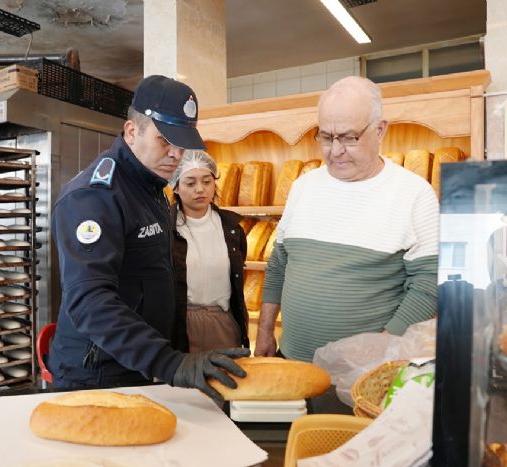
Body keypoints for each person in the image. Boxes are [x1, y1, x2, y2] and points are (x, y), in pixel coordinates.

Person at [48, 75, 250, 402]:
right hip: (98, 372)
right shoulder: (95, 197)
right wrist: (168, 362)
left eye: (182, 143)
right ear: (132, 132)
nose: (176, 154)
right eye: (164, 140)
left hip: (139, 363)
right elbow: (89, 301)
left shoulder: (150, 187)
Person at [255, 76, 439, 362]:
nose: (335, 150)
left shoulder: (415, 193)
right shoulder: (303, 186)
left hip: (363, 373)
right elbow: (279, 265)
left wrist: (383, 348)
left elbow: (428, 283)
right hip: (291, 361)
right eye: (326, 137)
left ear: (380, 130)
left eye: (349, 137)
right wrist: (265, 330)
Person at [170, 150, 250, 353]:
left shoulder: (232, 228)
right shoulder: (164, 228)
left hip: (223, 323)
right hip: (179, 325)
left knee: (226, 373)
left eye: (207, 181)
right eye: (190, 183)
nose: (200, 189)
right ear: (176, 187)